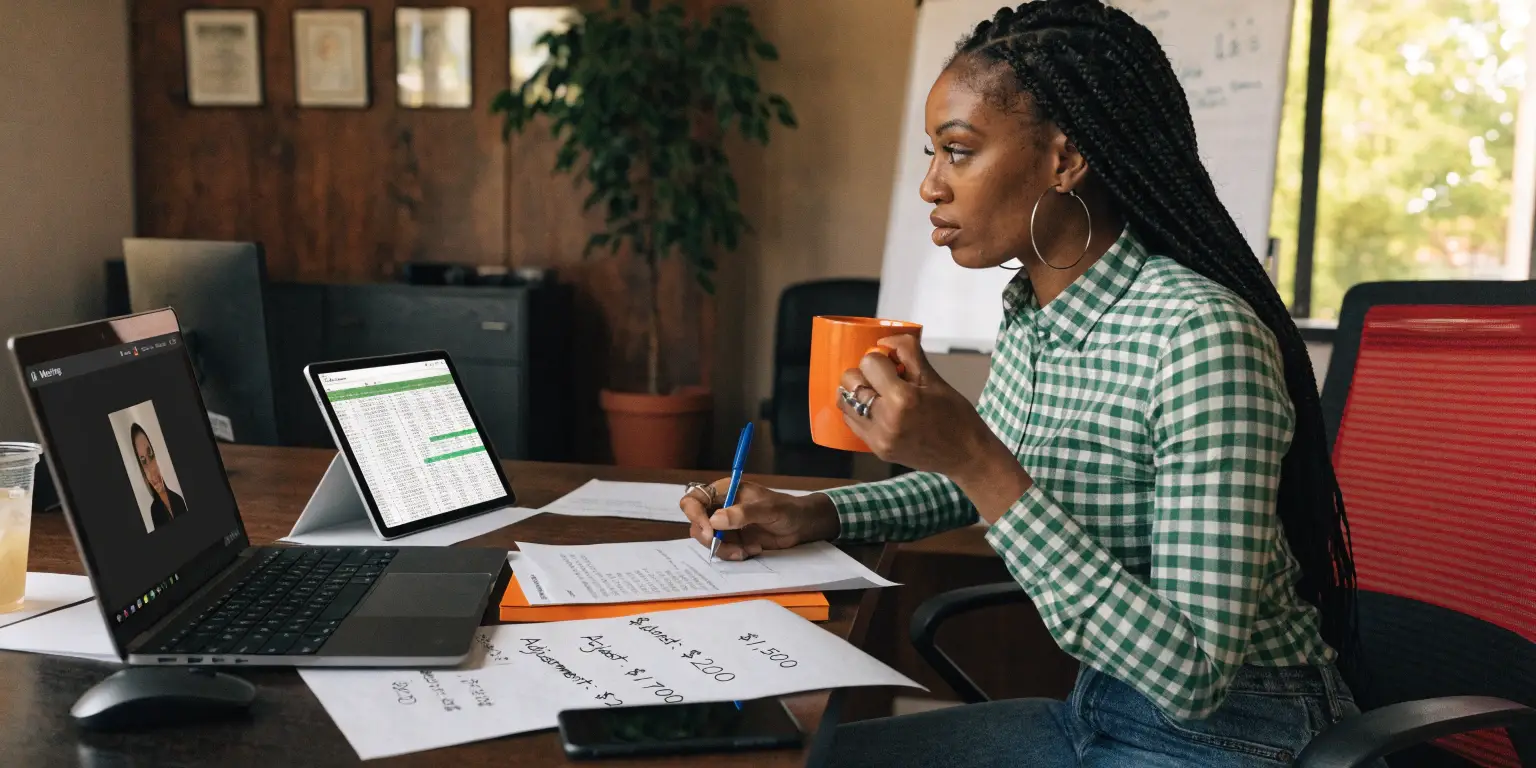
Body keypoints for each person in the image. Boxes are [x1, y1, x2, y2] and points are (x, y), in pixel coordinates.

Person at [679, 2, 1378, 765]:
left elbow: (1194, 675)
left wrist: (975, 455)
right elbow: (989, 484)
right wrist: (813, 514)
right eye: (932, 154)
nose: (930, 187)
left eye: (958, 151)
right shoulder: (1036, 312)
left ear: (1064, 159)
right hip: (1099, 707)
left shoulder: (1199, 338)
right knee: (824, 760)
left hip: (1237, 736)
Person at [130, 423, 188, 530]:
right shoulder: (154, 512)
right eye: (144, 462)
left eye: (151, 455)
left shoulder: (178, 499)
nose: (152, 470)